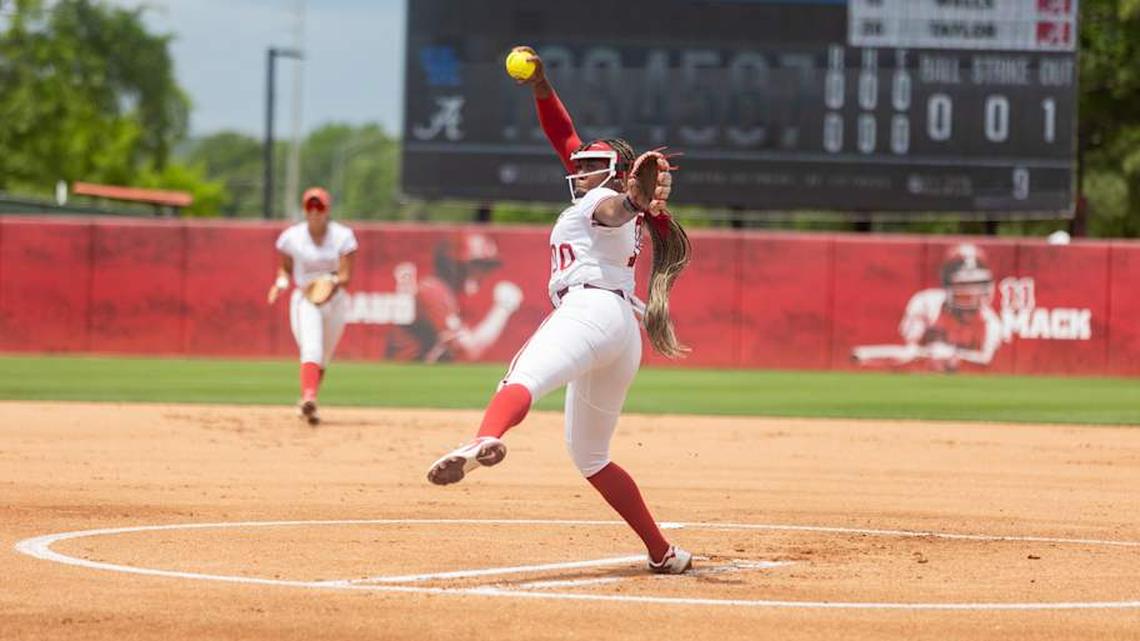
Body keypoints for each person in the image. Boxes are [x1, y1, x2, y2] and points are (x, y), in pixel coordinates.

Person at [426, 46, 695, 575]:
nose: (579, 169)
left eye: (593, 166)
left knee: (522, 374)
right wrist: (542, 85)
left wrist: (636, 200)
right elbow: (563, 135)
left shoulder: (605, 201)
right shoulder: (601, 193)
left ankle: (486, 438)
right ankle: (663, 552)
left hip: (590, 311)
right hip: (622, 333)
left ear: (618, 175)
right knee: (591, 457)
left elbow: (617, 207)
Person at [267, 187, 358, 425]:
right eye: (310, 206)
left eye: (319, 206)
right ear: (304, 209)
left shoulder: (342, 236)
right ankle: (309, 397)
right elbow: (285, 269)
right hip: (306, 299)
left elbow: (346, 276)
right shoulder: (292, 237)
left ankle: (309, 401)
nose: (315, 211)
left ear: (327, 210)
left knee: (324, 357)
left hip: (335, 300)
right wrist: (280, 283)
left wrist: (330, 282)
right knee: (312, 349)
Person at [852, 243, 1002, 371]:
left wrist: (954, 354)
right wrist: (931, 353)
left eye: (978, 284)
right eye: (964, 285)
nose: (972, 293)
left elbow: (986, 361)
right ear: (948, 285)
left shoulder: (991, 323)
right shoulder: (926, 303)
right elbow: (908, 351)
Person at [385, 232, 524, 362]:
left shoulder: (444, 292)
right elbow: (467, 352)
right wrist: (502, 309)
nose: (483, 273)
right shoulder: (432, 292)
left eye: (486, 266)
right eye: (476, 264)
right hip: (407, 375)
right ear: (452, 264)